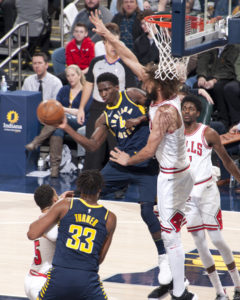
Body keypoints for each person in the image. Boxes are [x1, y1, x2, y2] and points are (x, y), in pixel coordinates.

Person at [87, 11, 197, 299]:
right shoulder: (159, 93)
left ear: (156, 84)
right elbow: (126, 55)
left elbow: (148, 150)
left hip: (173, 176)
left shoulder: (163, 112)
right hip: (175, 170)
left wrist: (127, 159)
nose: (140, 79)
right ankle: (175, 283)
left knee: (171, 234)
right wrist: (107, 35)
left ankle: (179, 291)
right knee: (170, 229)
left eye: (145, 78)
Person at [59, 72, 173, 298]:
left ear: (117, 87)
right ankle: (72, 252)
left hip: (145, 162)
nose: (103, 94)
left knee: (147, 211)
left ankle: (164, 258)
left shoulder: (132, 95)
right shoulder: (104, 117)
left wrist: (139, 119)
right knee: (83, 196)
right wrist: (67, 128)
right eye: (100, 91)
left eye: (107, 89)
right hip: (121, 162)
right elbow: (92, 145)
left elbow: (158, 108)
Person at [182, 95, 240, 300]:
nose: (187, 111)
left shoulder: (208, 133)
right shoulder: (176, 135)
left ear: (198, 113)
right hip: (188, 195)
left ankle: (238, 284)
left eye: (191, 108)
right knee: (199, 244)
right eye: (184, 108)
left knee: (216, 239)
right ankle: (219, 291)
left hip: (207, 191)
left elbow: (226, 160)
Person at [27, 170, 117, 300]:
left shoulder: (65, 205)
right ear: (100, 188)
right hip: (87, 279)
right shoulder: (110, 218)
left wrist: (55, 207)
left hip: (59, 278)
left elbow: (32, 233)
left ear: (79, 187)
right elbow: (100, 258)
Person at [77, 22, 137, 171]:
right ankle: (89, 182)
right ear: (104, 44)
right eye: (109, 43)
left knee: (117, 147)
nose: (113, 46)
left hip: (118, 110)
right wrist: (81, 108)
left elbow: (130, 91)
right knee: (93, 149)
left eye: (115, 42)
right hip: (98, 108)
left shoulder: (125, 64)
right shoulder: (96, 62)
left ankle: (119, 185)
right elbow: (89, 85)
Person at [25, 64, 92, 178]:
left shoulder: (86, 90)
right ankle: (55, 168)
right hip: (62, 122)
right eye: (68, 76)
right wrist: (63, 111)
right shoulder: (64, 89)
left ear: (79, 75)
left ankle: (37, 142)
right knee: (57, 130)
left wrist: (65, 109)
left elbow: (82, 111)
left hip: (80, 122)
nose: (70, 78)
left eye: (73, 75)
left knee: (57, 119)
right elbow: (56, 107)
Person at [24, 184, 74, 300]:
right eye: (57, 195)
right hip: (42, 282)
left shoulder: (41, 222)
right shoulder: (50, 228)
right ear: (54, 200)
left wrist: (60, 200)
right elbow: (64, 239)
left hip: (33, 278)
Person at [51, 0, 113, 75]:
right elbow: (73, 31)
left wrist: (86, 45)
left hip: (95, 49)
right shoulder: (81, 14)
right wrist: (69, 41)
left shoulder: (105, 14)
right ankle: (67, 80)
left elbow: (102, 34)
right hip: (78, 47)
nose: (90, 1)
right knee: (57, 55)